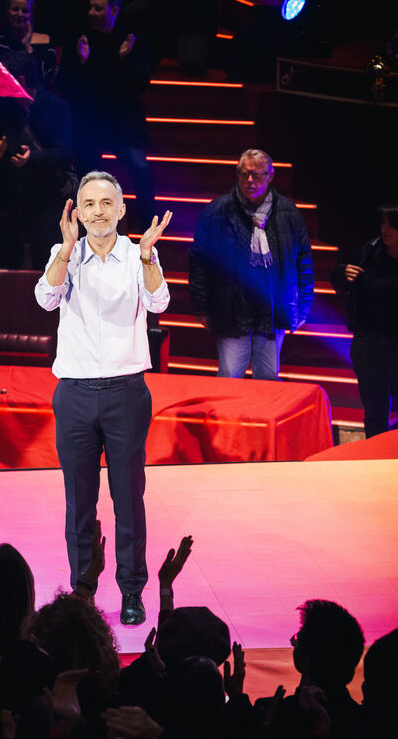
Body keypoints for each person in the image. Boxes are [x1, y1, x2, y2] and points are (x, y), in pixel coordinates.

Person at [35, 170, 171, 625]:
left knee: (128, 499)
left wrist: (148, 256)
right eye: (89, 204)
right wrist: (66, 249)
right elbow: (46, 299)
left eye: (106, 203)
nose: (98, 212)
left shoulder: (138, 254)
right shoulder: (64, 253)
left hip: (125, 394)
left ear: (121, 209)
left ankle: (132, 590)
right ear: (77, 211)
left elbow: (159, 303)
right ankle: (82, 590)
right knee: (80, 501)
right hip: (74, 394)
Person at [189, 148, 314, 380]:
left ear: (270, 176)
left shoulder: (288, 213)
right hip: (231, 308)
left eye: (256, 174)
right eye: (244, 173)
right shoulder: (217, 211)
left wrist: (303, 306)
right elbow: (199, 263)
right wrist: (202, 307)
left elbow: (303, 261)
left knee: (268, 379)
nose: (249, 180)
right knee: (229, 377)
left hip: (272, 310)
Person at [58, 0, 155, 227]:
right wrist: (83, 63)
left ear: (115, 11)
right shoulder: (80, 38)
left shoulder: (130, 38)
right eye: (90, 7)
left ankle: (147, 227)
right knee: (87, 178)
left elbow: (140, 83)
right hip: (90, 123)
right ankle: (89, 227)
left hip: (122, 124)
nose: (91, 12)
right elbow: (66, 83)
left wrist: (123, 61)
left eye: (98, 8)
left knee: (141, 169)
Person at [0, 51, 73, 269]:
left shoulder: (56, 107)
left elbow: (64, 153)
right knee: (8, 270)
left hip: (45, 202)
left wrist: (33, 157)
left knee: (47, 271)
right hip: (9, 205)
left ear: (21, 80)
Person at [330, 203, 398, 437]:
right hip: (369, 343)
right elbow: (342, 277)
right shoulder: (371, 251)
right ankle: (376, 455)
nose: (385, 230)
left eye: (392, 225)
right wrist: (341, 274)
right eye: (383, 223)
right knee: (374, 412)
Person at [0, 0, 58, 87]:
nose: (20, 14)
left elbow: (45, 78)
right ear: (7, 12)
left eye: (25, 11)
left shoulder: (45, 42)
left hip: (35, 93)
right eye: (15, 9)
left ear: (32, 14)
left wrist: (28, 48)